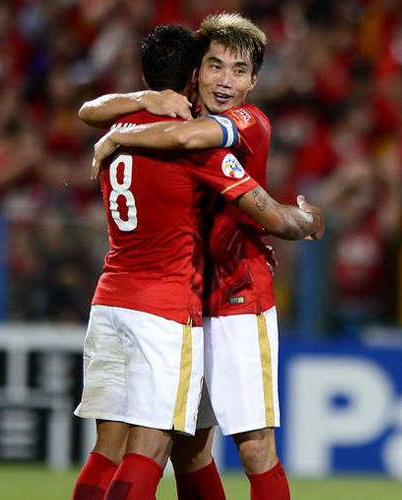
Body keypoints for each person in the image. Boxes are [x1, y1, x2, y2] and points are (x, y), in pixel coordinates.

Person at [71, 24, 323, 500]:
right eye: (215, 66)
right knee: (187, 450)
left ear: (253, 81)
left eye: (239, 71)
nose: (225, 80)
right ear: (195, 73)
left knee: (254, 448)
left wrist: (117, 136)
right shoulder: (169, 122)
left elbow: (182, 137)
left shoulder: (244, 122)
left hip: (236, 298)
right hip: (181, 306)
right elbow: (90, 109)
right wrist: (141, 107)